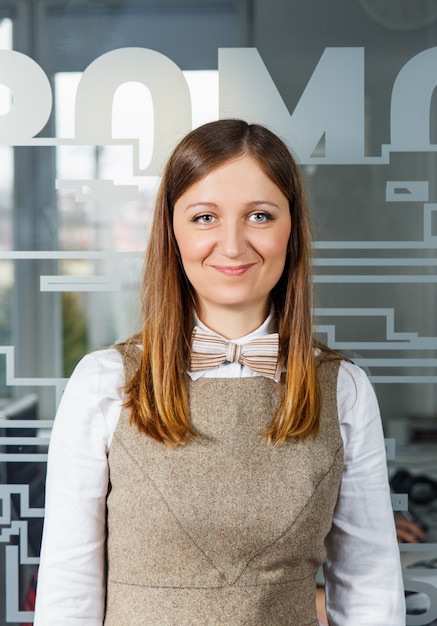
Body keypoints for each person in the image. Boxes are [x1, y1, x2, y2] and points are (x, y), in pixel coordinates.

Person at [34, 119, 405, 625]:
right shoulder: (104, 383)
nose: (232, 245)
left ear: (292, 229)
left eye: (259, 215)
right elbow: (68, 594)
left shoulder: (343, 389)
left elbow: (369, 590)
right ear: (172, 231)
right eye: (204, 217)